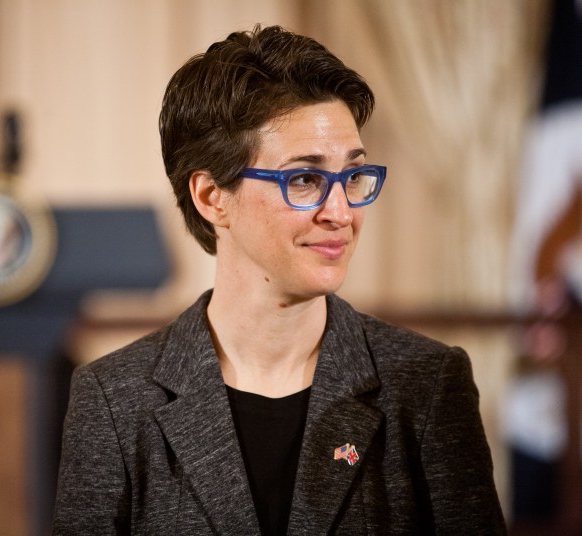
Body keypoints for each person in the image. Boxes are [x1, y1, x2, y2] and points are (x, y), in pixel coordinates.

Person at [53, 25, 505, 535]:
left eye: (352, 176)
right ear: (210, 197)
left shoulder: (426, 385)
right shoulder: (113, 399)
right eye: (305, 179)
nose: (341, 211)